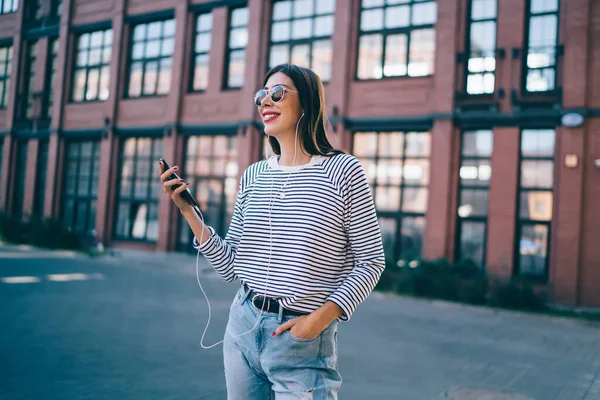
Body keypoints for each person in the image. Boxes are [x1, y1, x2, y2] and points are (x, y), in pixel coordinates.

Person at [159, 63, 385, 400]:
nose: (266, 102)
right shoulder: (253, 176)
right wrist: (188, 211)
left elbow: (370, 262)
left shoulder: (342, 171)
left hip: (301, 339)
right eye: (261, 96)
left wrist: (319, 320)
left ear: (307, 103)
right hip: (242, 326)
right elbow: (231, 266)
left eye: (278, 93)